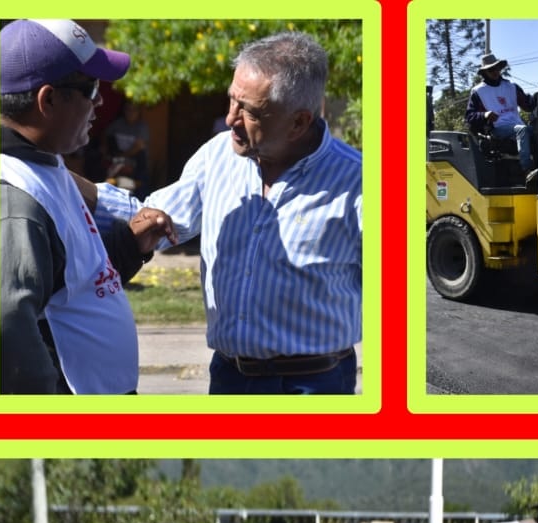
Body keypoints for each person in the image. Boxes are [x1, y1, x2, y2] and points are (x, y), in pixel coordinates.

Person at [89, 31, 362, 395]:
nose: (229, 118)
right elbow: (153, 216)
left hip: (313, 385)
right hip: (229, 379)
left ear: (299, 122)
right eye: (232, 100)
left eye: (249, 110)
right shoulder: (219, 154)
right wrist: (52, 177)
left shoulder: (360, 182)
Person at [0, 18, 177, 395]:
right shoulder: (15, 197)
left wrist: (130, 244)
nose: (100, 101)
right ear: (47, 100)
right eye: (91, 88)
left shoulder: (47, 164)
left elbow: (76, 281)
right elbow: (7, 323)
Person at [465, 53, 535, 173]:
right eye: (490, 69)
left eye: (496, 68)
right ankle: (527, 170)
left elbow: (528, 106)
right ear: (484, 72)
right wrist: (485, 115)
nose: (494, 71)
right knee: (522, 130)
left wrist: (537, 99)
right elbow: (469, 117)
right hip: (498, 128)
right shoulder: (478, 91)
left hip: (517, 125)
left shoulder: (511, 87)